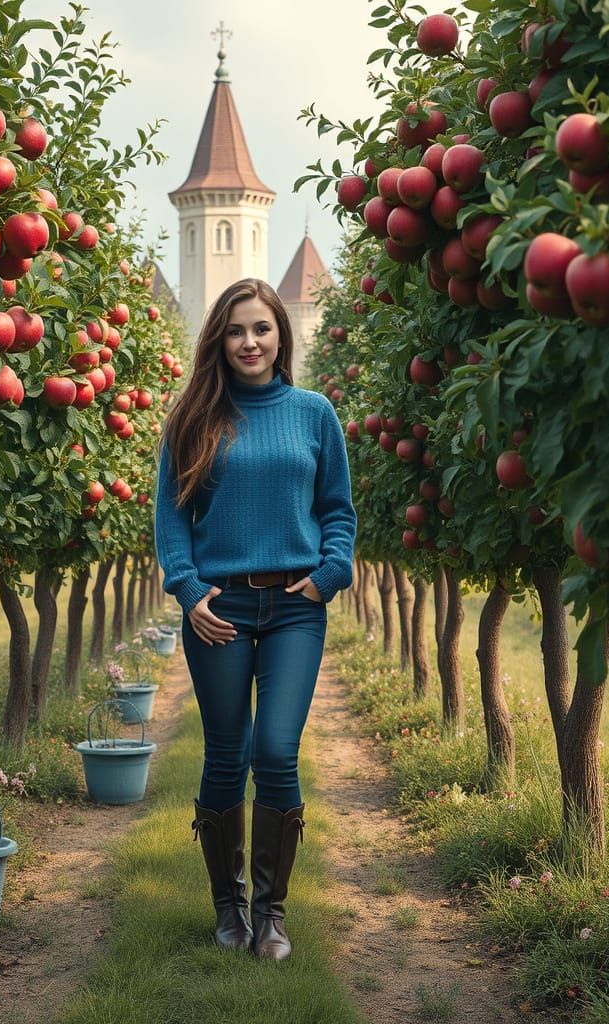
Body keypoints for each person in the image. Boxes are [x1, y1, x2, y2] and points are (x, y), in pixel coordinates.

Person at [153, 278, 356, 961]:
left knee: (274, 749)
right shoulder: (192, 420)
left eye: (262, 329)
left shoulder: (313, 413)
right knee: (225, 752)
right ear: (220, 338)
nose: (250, 342)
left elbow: (337, 509)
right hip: (220, 608)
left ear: (280, 336)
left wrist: (329, 574)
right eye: (237, 330)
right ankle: (228, 909)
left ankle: (271, 914)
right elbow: (171, 519)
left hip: (296, 606)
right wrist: (187, 590)